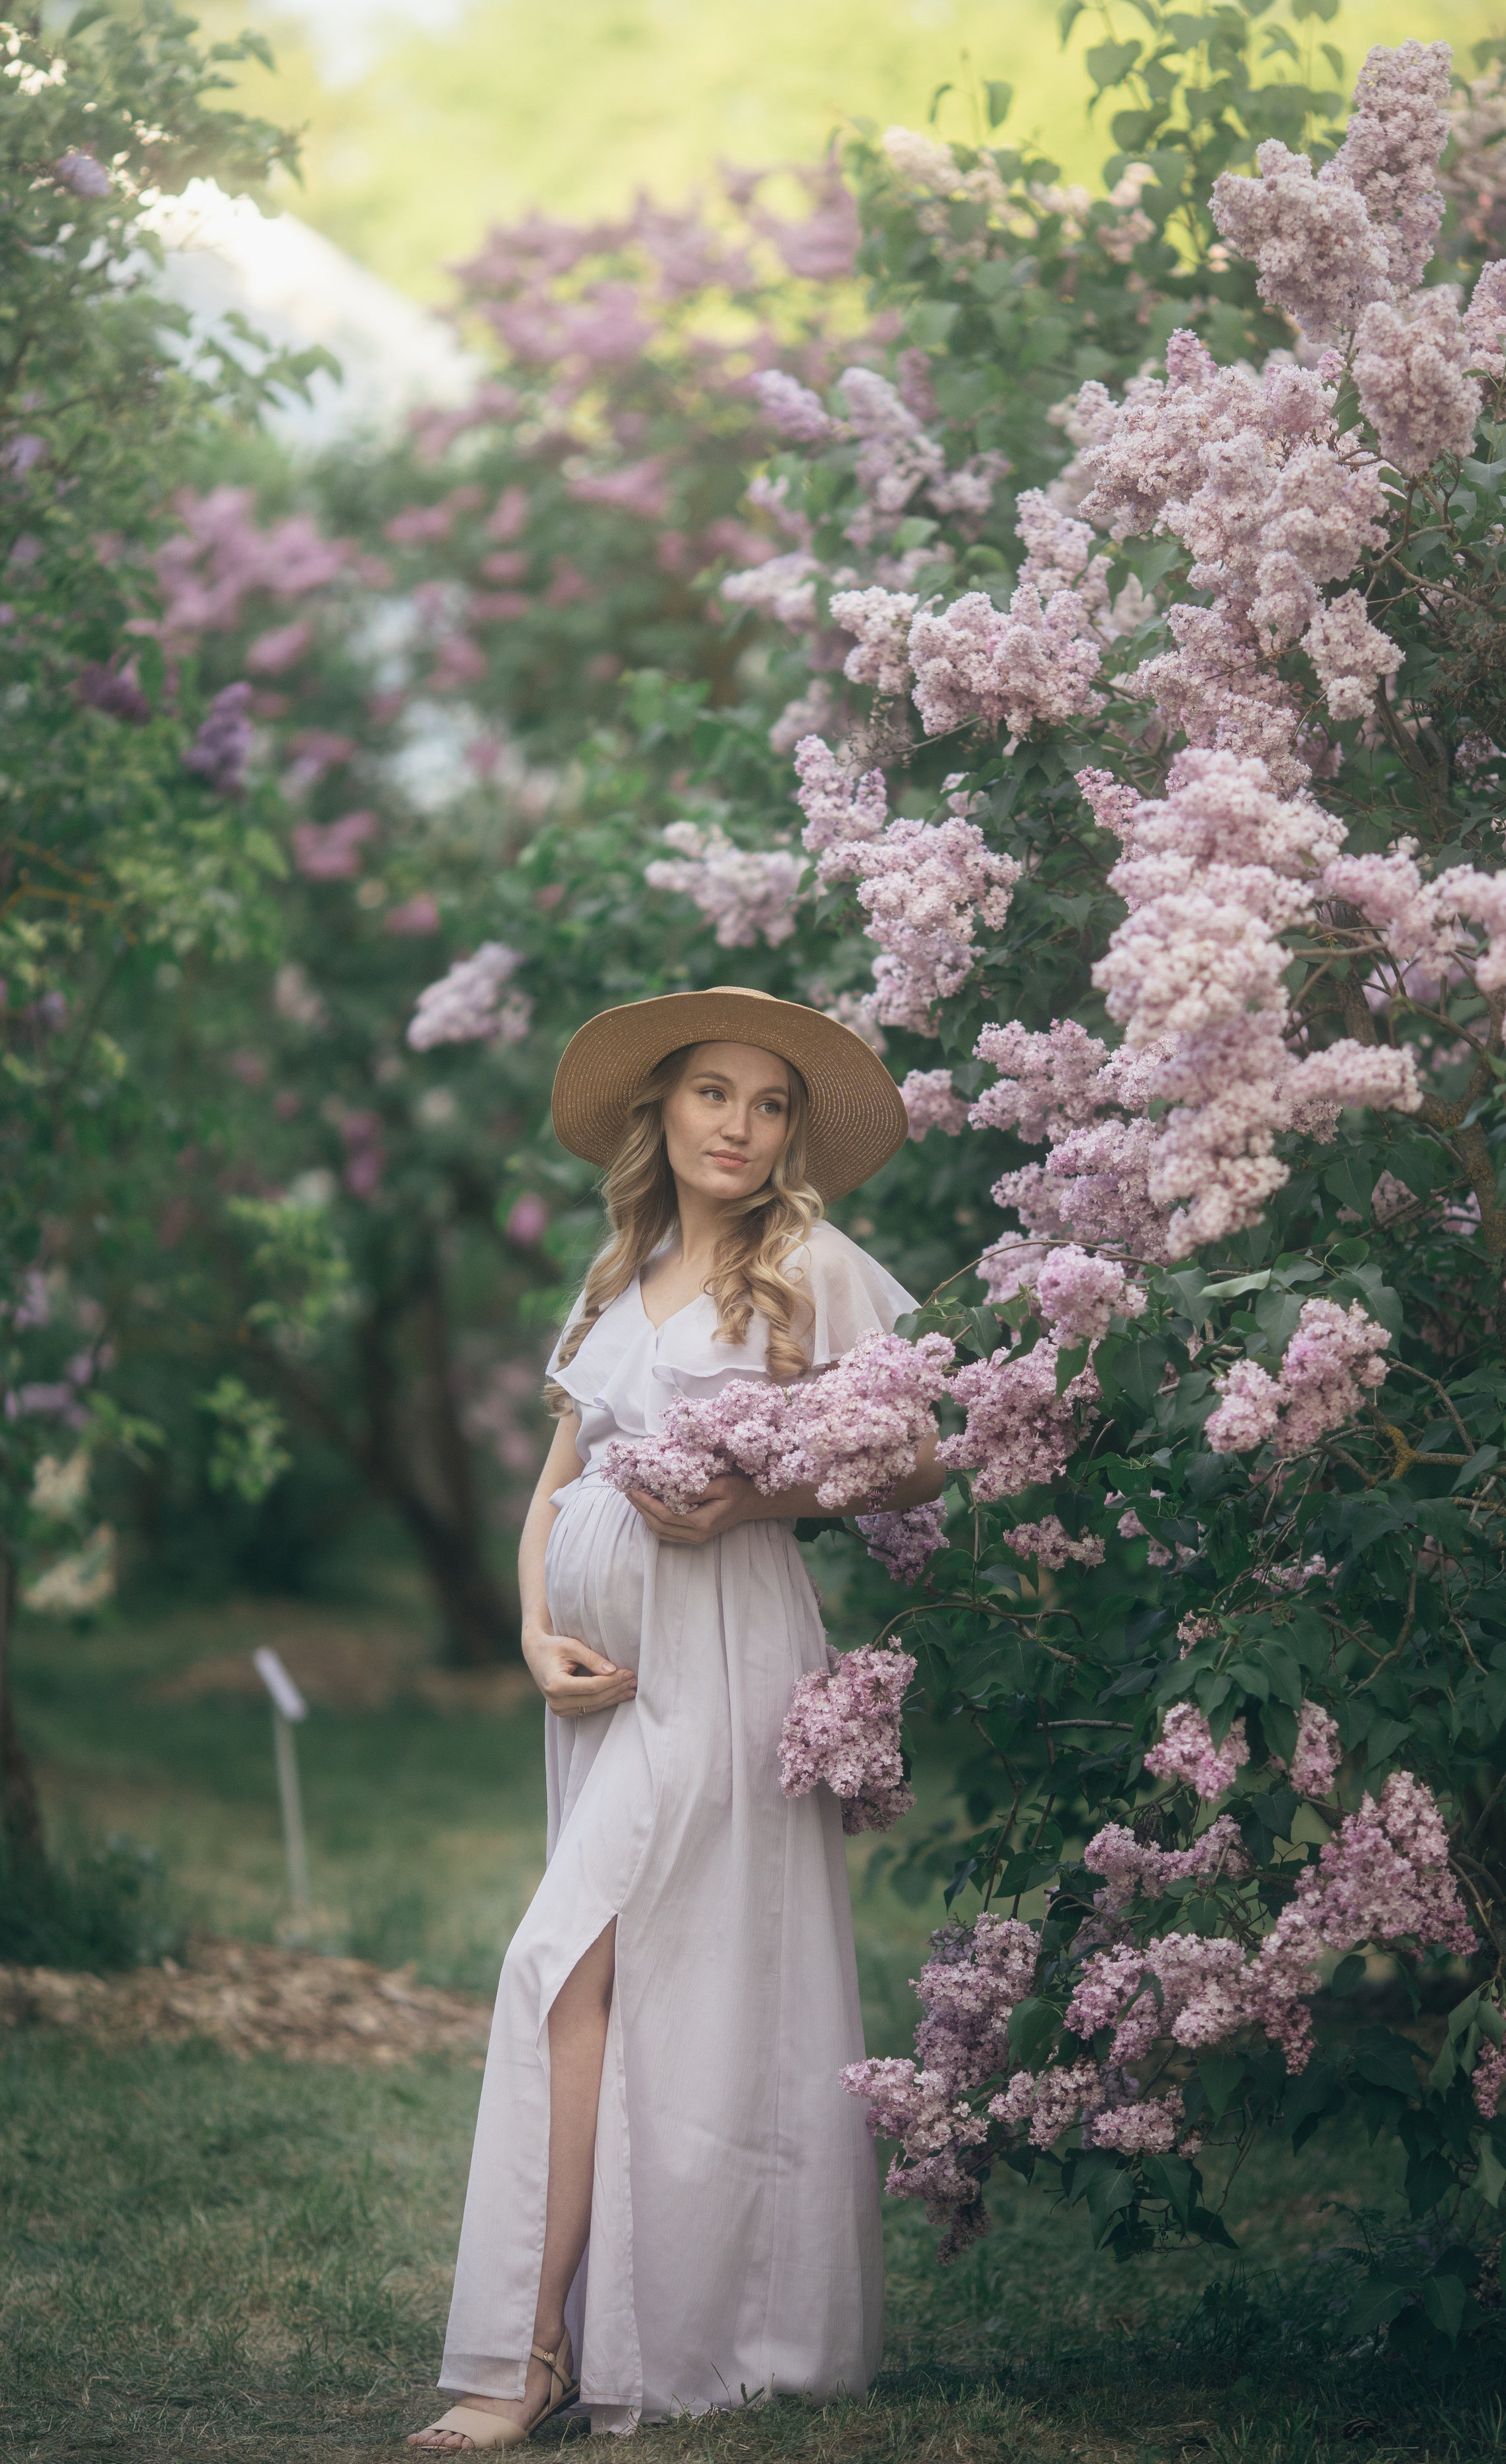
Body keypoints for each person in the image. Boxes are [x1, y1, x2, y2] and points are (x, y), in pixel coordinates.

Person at [409, 987, 940, 2450]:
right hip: (596, 1684)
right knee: (629, 1987)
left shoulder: (812, 1267)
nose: (741, 1127)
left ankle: (521, 2362)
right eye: (715, 1093)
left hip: (721, 1661)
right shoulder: (615, 1274)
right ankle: (607, 2329)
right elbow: (551, 1494)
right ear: (660, 1109)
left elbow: (916, 1462)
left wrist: (752, 1499)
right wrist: (531, 1628)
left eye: (770, 1106)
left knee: (556, 1960)